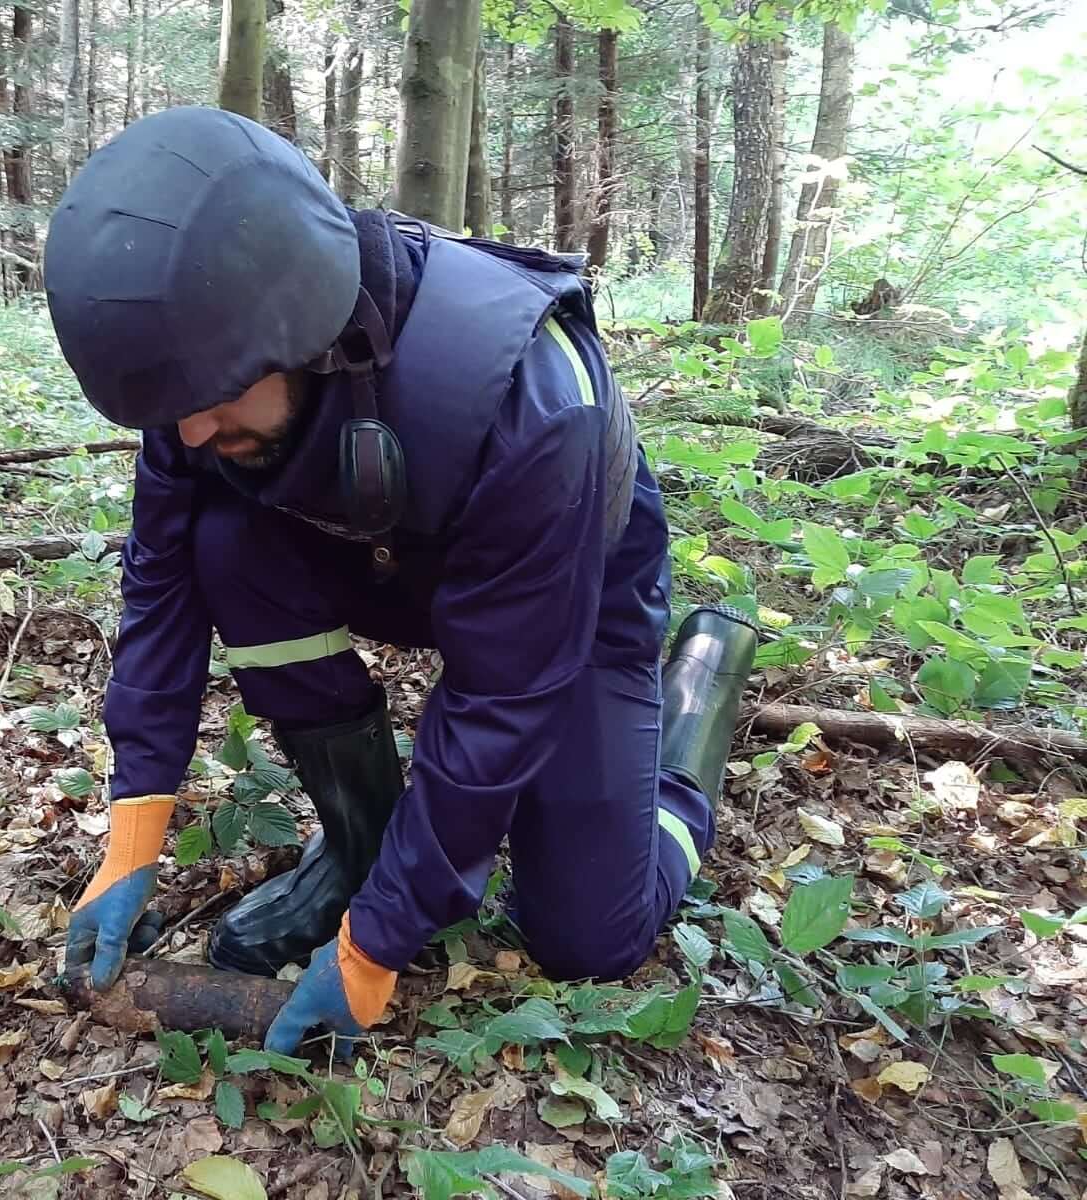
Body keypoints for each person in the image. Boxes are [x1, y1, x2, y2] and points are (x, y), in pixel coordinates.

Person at [44, 106, 758, 1057]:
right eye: (169, 416)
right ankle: (364, 846)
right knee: (224, 541)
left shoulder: (539, 412)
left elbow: (499, 697)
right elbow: (163, 587)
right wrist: (134, 827)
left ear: (299, 328)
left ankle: (695, 697)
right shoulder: (200, 377)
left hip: (571, 597)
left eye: (207, 409)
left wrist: (379, 945)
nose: (189, 437)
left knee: (592, 938)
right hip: (389, 554)